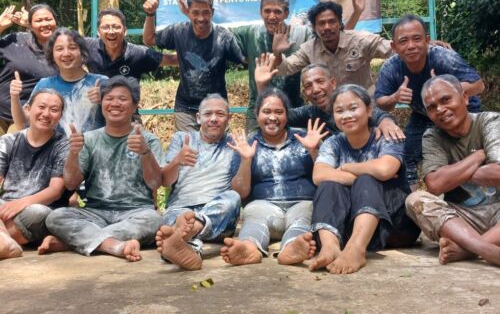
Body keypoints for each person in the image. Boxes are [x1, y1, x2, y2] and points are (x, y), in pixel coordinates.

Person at [176, 0, 367, 133]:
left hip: (295, 109)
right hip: (257, 110)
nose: (272, 16)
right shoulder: (249, 33)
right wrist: (193, 17)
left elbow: (335, 39)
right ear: (260, 12)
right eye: (267, 11)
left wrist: (356, 12)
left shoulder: (303, 35)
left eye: (277, 11)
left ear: (286, 12)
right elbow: (213, 33)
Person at [293, 84, 419, 274]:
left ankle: (356, 249)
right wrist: (360, 176)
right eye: (339, 111)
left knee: (366, 180)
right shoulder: (333, 143)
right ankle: (330, 246)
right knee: (330, 184)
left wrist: (347, 168)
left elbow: (385, 170)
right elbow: (319, 175)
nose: (346, 115)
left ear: (369, 110)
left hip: (395, 225)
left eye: (353, 108)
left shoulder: (387, 136)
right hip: (351, 223)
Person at [41, 76, 163, 261]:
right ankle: (114, 246)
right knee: (56, 217)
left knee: (154, 220)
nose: (115, 104)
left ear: (135, 105)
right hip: (94, 212)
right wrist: (73, 154)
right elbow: (71, 183)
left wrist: (145, 152)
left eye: (122, 99)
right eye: (109, 98)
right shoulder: (88, 139)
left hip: (135, 212)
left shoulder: (148, 140)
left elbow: (155, 183)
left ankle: (75, 242)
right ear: (101, 103)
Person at [375, 15, 484, 188]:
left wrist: (445, 88)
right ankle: (412, 198)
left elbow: (478, 85)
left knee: (470, 151)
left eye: (417, 39)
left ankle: (474, 182)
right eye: (403, 41)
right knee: (407, 154)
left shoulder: (443, 58)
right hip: (424, 115)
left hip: (461, 111)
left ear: (427, 40)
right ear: (394, 47)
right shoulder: (391, 67)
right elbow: (381, 101)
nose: (411, 46)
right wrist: (395, 97)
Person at [221, 88, 327, 266]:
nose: (272, 117)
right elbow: (240, 192)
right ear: (257, 114)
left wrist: (314, 151)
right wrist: (246, 160)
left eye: (279, 112)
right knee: (253, 216)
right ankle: (248, 248)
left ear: (287, 115)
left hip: (302, 204)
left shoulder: (305, 138)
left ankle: (291, 248)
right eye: (266, 111)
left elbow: (326, 179)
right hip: (264, 207)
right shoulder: (246, 145)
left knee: (305, 216)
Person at [405, 75, 500, 266]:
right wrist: (478, 157)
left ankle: (466, 250)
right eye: (432, 107)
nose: (440, 109)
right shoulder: (432, 136)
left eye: (445, 100)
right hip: (461, 220)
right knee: (415, 200)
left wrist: (451, 174)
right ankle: (486, 249)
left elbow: (498, 173)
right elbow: (434, 185)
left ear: (464, 98)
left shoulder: (489, 121)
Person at [155, 94, 241, 270]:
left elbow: (242, 189)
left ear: (229, 118)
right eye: (208, 114)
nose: (214, 119)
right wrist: (177, 161)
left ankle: (184, 234)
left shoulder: (235, 144)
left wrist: (246, 159)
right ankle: (190, 250)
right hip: (181, 209)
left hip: (218, 215)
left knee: (232, 198)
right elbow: (165, 182)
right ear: (198, 117)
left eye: (220, 114)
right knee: (175, 217)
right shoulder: (182, 138)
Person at [142, 0, 246, 132]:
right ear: (188, 12)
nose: (201, 18)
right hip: (185, 108)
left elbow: (245, 59)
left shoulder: (224, 37)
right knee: (188, 152)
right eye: (195, 12)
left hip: (216, 108)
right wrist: (150, 14)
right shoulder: (178, 31)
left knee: (218, 152)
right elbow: (149, 39)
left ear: (212, 12)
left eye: (205, 12)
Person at [255, 56, 405, 140]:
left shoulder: (350, 100)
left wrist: (386, 122)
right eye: (308, 86)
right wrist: (262, 86)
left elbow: (377, 112)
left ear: (333, 83)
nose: (315, 89)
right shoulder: (309, 113)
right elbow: (278, 116)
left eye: (320, 82)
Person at [0, 89, 68, 259]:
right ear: (28, 109)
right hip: (5, 207)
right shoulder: (9, 141)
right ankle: (6, 244)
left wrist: (20, 203)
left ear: (60, 116)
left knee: (38, 214)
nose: (46, 114)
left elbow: (55, 191)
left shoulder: (63, 145)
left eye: (54, 110)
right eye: (42, 107)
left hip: (36, 207)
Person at [271, 1, 392, 95]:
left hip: (365, 107)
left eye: (332, 21)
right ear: (314, 27)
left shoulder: (361, 40)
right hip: (331, 110)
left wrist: (386, 87)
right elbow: (284, 69)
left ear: (340, 23)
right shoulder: (309, 50)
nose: (327, 27)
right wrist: (277, 53)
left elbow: (396, 50)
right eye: (321, 23)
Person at [10, 28, 107, 136]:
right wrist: (15, 97)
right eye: (59, 49)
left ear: (82, 52)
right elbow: (22, 126)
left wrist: (105, 100)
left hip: (93, 151)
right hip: (55, 152)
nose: (66, 53)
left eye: (72, 48)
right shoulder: (44, 85)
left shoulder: (101, 82)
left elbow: (121, 122)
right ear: (52, 55)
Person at [0, 4, 58, 134]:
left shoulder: (63, 47)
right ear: (30, 25)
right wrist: (1, 26)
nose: (44, 23)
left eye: (48, 19)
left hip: (29, 117)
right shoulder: (15, 41)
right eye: (38, 20)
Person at [85, 8, 178, 82]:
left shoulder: (138, 53)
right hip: (96, 104)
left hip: (127, 104)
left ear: (125, 31)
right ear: (98, 32)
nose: (111, 32)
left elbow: (172, 60)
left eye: (116, 27)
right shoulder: (88, 46)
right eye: (105, 27)